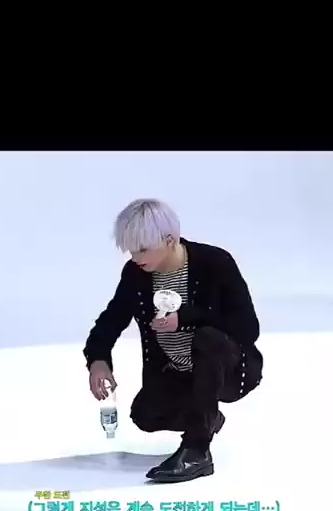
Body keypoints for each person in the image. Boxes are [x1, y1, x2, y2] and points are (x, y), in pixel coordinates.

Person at [83, 198, 263, 484]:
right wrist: (98, 359)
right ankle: (206, 417)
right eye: (131, 250)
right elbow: (112, 318)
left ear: (169, 240)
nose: (136, 257)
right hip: (180, 373)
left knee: (208, 338)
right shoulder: (136, 274)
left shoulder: (215, 262)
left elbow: (248, 328)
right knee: (146, 415)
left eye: (143, 249)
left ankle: (197, 451)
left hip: (230, 369)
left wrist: (186, 318)